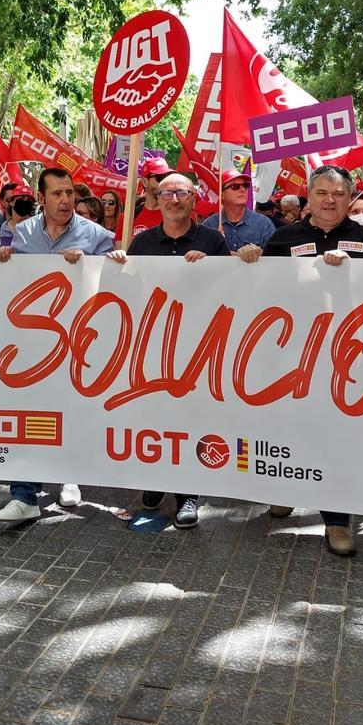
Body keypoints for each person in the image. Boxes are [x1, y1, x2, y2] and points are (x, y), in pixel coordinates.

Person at [255, 166, 363, 556]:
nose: (330, 200)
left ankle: (337, 520)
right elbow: (260, 289)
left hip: (346, 355)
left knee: (338, 435)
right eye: (322, 192)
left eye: (339, 194)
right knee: (292, 424)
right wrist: (249, 259)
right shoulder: (283, 238)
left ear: (350, 199)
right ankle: (289, 487)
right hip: (294, 352)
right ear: (308, 197)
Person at [0, 167, 115, 522]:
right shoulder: (22, 232)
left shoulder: (97, 235)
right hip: (33, 340)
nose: (66, 200)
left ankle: (70, 475)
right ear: (41, 199)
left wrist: (92, 263)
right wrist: (3, 259)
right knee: (28, 413)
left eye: (70, 193)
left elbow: (111, 284)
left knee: (72, 409)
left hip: (79, 339)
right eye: (57, 194)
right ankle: (24, 495)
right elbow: (13, 276)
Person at [108, 172, 230, 529]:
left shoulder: (213, 242)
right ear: (156, 199)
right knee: (154, 417)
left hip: (198, 346)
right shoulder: (142, 244)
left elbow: (232, 289)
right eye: (166, 194)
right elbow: (128, 291)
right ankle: (156, 479)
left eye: (181, 193)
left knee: (191, 419)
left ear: (194, 199)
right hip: (153, 343)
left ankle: (187, 493)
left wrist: (213, 269)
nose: (174, 200)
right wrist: (117, 266)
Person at [201, 169, 276, 259]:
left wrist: (259, 254)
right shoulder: (209, 225)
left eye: (245, 185)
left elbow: (274, 259)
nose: (242, 189)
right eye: (235, 187)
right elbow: (201, 259)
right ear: (222, 195)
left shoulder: (264, 224)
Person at [132, 157, 172, 236]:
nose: (165, 182)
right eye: (160, 178)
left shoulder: (179, 215)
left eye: (167, 177)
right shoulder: (129, 217)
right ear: (145, 182)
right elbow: (122, 247)